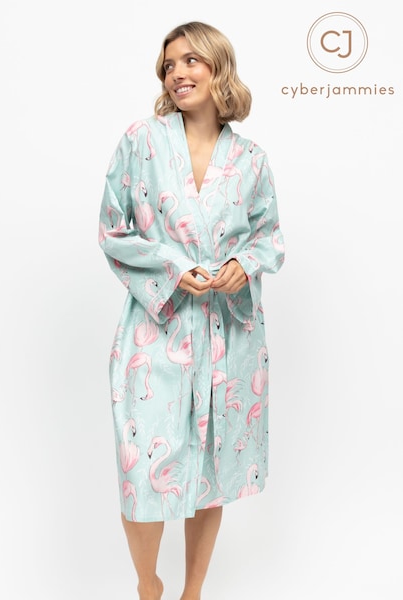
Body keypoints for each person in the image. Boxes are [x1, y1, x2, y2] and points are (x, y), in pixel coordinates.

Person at [98, 21, 285, 600]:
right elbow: (113, 229)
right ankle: (148, 586)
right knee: (143, 471)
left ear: (217, 66)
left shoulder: (251, 160)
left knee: (209, 470)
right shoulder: (141, 142)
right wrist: (174, 269)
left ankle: (192, 592)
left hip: (228, 335)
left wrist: (243, 265)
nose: (176, 73)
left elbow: (269, 239)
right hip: (157, 329)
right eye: (168, 65)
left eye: (190, 61)